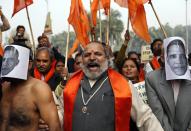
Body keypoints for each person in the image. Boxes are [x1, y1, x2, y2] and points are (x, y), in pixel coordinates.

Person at [63, 42, 164, 131]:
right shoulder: (71, 84)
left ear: (107, 59)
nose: (92, 58)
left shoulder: (122, 84)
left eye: (98, 54)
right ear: (82, 60)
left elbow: (145, 117)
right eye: (87, 55)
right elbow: (60, 115)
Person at [0, 44, 61, 131]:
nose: (7, 63)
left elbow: (54, 127)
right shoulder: (4, 87)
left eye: (11, 60)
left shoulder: (39, 89)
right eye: (5, 60)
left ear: (29, 64)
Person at [145, 37, 191, 131]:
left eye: (181, 55)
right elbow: (158, 112)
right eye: (173, 56)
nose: (178, 60)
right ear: (162, 58)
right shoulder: (152, 79)